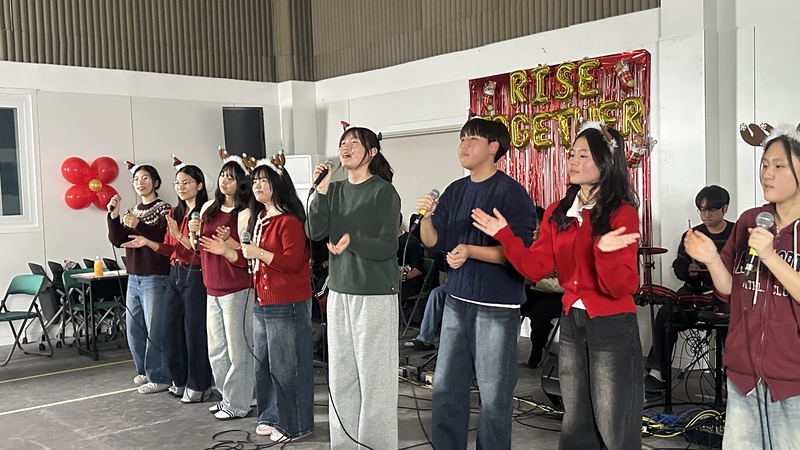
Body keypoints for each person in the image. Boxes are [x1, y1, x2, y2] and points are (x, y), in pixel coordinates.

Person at [472, 121, 643, 449]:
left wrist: (604, 252)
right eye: (571, 153)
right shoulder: (558, 211)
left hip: (612, 324)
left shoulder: (621, 213)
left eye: (583, 155)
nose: (573, 161)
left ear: (606, 162)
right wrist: (505, 235)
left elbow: (621, 287)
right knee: (576, 420)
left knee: (615, 424)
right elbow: (535, 268)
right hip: (572, 321)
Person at [416, 117, 536, 450]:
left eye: (473, 139)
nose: (464, 145)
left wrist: (470, 251)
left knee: (494, 395)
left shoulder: (512, 193)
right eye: (462, 139)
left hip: (496, 304)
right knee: (446, 389)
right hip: (457, 299)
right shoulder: (455, 190)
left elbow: (518, 253)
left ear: (494, 147)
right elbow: (433, 241)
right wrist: (427, 216)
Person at [684, 124, 800, 449]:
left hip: (793, 381)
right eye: (764, 165)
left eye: (779, 166)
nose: (767, 174)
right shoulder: (751, 221)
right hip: (743, 375)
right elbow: (728, 291)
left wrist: (771, 256)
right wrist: (711, 258)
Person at [307, 125, 401, 449]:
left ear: (372, 153)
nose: (346, 147)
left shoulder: (383, 192)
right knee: (342, 376)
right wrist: (319, 191)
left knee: (375, 380)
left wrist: (353, 241)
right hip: (339, 291)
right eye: (343, 142)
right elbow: (315, 231)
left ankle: (376, 444)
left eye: (354, 143)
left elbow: (388, 246)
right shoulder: (333, 190)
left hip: (374, 293)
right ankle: (343, 444)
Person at [123, 161, 213, 402]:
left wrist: (179, 234)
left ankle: (199, 384)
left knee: (194, 331)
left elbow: (197, 248)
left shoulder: (205, 213)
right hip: (175, 271)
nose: (181, 187)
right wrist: (147, 243)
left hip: (196, 273)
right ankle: (179, 380)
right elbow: (168, 248)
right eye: (178, 183)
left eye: (186, 183)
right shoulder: (175, 213)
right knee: (170, 330)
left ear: (200, 185)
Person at [240, 155, 314, 442]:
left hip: (286, 301)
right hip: (263, 299)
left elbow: (293, 263)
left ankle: (295, 424)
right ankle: (271, 416)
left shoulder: (289, 220)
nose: (257, 185)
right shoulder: (260, 218)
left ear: (278, 184)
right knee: (265, 363)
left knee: (288, 366)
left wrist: (258, 253)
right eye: (255, 181)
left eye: (263, 180)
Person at [645, 185, 734, 392]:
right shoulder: (693, 234)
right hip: (695, 291)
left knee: (733, 317)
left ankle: (731, 375)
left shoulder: (736, 233)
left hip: (727, 293)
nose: (706, 214)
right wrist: (689, 271)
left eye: (712, 209)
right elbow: (679, 266)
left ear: (725, 208)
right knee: (666, 313)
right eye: (702, 210)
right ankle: (658, 373)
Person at [190, 156, 254, 420]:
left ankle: (239, 403)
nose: (224, 181)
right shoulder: (208, 208)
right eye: (222, 176)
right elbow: (198, 247)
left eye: (231, 177)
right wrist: (193, 233)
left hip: (236, 288)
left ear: (242, 182)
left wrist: (228, 245)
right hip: (211, 286)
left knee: (238, 349)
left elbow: (248, 254)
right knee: (217, 350)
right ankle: (227, 397)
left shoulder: (246, 213)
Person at [107, 162, 172, 394]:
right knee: (134, 328)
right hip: (134, 276)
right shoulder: (132, 211)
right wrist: (114, 215)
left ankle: (161, 376)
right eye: (136, 179)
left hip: (155, 275)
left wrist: (140, 225)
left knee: (155, 329)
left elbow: (164, 239)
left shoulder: (165, 209)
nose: (140, 183)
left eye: (145, 178)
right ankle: (144, 370)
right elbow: (118, 240)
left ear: (155, 182)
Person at [521, 206, 564, 369]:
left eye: (540, 223)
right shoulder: (525, 248)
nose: (536, 228)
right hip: (530, 293)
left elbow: (563, 283)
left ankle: (537, 350)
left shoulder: (558, 248)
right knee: (507, 306)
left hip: (555, 295)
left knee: (540, 314)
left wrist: (534, 281)